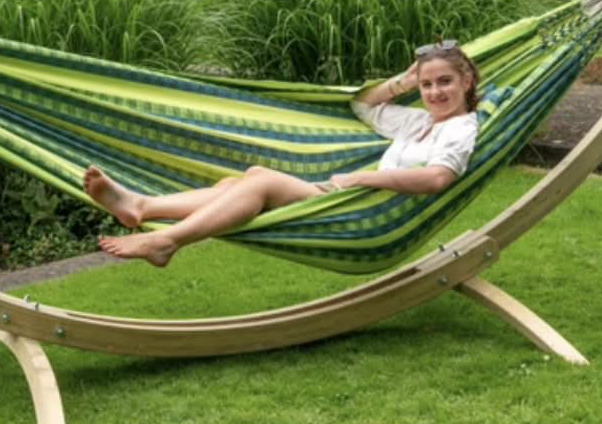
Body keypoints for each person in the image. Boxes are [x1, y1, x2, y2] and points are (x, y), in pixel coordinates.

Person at [84, 42, 481, 268]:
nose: (434, 92)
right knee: (239, 182)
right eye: (427, 85)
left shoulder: (462, 128)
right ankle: (143, 206)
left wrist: (363, 178)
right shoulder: (418, 122)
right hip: (352, 202)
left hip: (368, 219)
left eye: (444, 82)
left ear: (466, 82)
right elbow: (363, 105)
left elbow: (437, 179)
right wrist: (404, 81)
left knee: (262, 181)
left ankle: (166, 241)